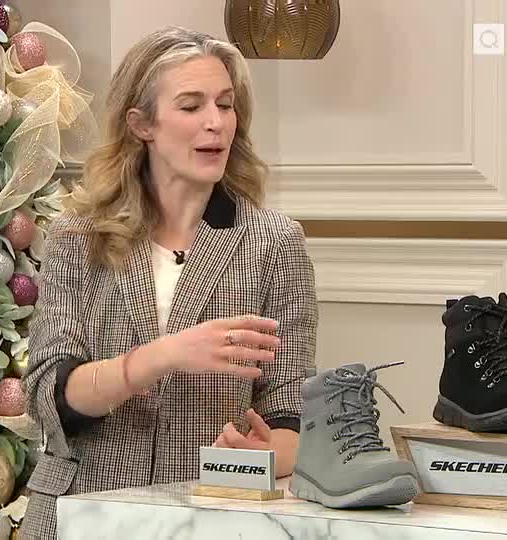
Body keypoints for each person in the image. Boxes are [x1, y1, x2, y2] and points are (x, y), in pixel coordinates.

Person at [21, 26, 318, 539]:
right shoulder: (78, 237)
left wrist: (267, 454)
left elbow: (293, 410)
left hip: (212, 518)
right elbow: (50, 398)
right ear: (142, 124)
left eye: (225, 105)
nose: (215, 123)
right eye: (191, 106)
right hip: (82, 512)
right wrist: (163, 356)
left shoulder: (274, 243)